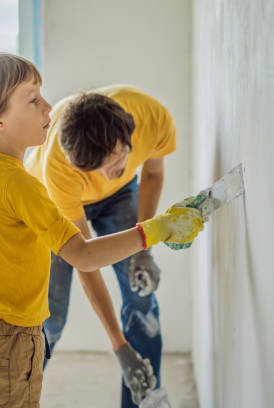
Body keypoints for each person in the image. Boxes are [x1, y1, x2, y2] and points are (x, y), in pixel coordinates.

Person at [0, 53, 204, 408]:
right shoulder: (32, 184)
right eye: (34, 100)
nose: (48, 108)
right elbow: (83, 255)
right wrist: (158, 230)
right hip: (13, 342)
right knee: (50, 322)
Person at [25, 85, 178, 407]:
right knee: (48, 319)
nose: (106, 175)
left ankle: (144, 401)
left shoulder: (153, 118)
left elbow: (152, 172)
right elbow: (85, 258)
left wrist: (144, 248)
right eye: (97, 170)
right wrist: (118, 346)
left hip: (120, 196)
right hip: (51, 200)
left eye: (116, 161)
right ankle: (15, 399)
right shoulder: (59, 166)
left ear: (129, 136)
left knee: (141, 298)